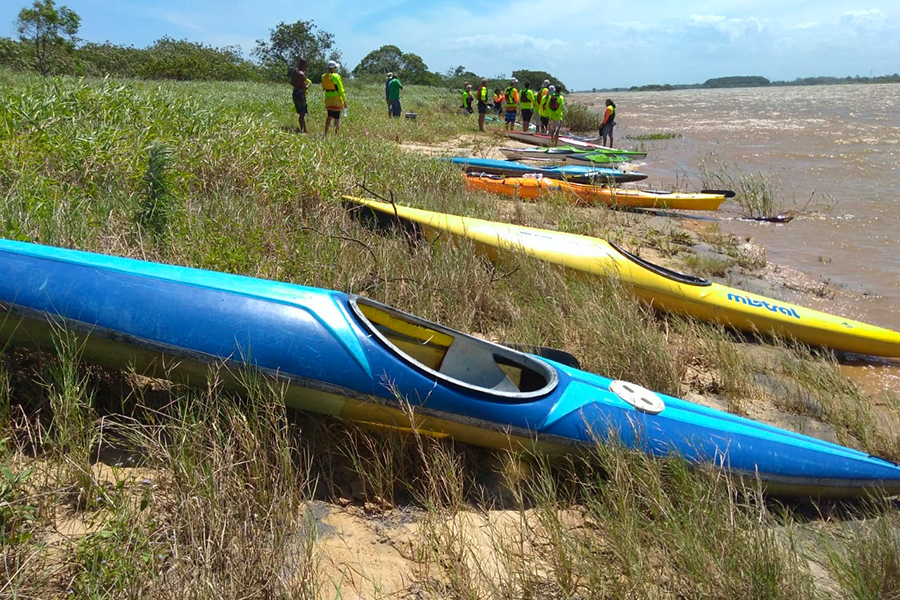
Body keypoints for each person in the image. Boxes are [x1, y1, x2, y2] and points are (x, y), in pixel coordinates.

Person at [322, 60, 347, 135]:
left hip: (328, 100)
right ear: (334, 68)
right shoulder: (336, 76)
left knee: (329, 116)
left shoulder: (323, 76)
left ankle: (325, 133)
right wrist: (345, 101)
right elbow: (341, 90)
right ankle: (336, 134)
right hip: (336, 100)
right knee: (337, 118)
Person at [290, 57, 312, 133]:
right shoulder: (301, 74)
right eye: (306, 66)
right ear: (303, 65)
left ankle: (303, 129)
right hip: (300, 94)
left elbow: (292, 83)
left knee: (300, 112)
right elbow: (304, 88)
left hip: (295, 93)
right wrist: (309, 85)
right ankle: (304, 130)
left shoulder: (295, 71)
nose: (306, 68)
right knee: (302, 114)